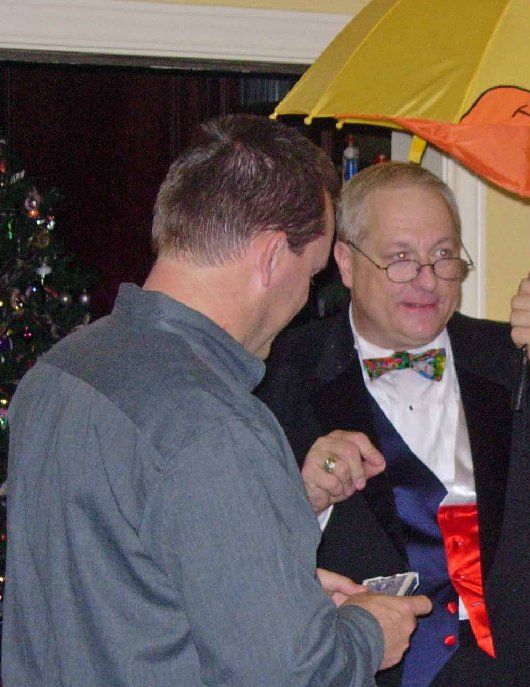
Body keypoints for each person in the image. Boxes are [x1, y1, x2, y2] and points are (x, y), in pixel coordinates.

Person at [2, 116, 431, 687]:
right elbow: (293, 676)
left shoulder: (58, 369)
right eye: (311, 274)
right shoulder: (214, 423)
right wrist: (368, 633)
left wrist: (285, 598)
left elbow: (114, 594)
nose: (305, 299)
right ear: (272, 256)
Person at [256, 161, 530, 687]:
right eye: (401, 258)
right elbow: (239, 567)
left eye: (444, 255)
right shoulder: (279, 376)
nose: (428, 280)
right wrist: (305, 499)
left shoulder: (519, 359)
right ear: (346, 262)